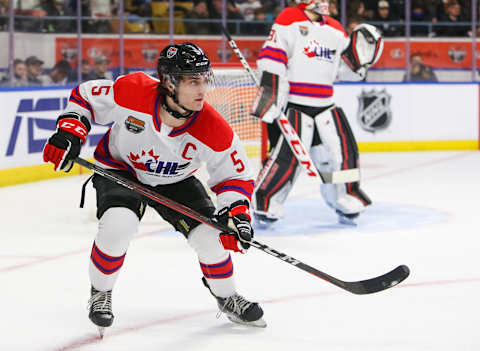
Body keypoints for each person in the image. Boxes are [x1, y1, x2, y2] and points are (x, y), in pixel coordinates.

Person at [42, 42, 266, 335]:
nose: (202, 90)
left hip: (176, 180)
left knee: (212, 239)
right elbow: (86, 96)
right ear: (170, 82)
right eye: (192, 81)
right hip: (121, 168)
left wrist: (236, 214)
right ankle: (100, 292)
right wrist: (71, 130)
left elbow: (234, 177)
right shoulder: (133, 90)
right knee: (117, 226)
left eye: (204, 79)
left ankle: (226, 296)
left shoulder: (213, 128)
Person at [251, 0, 383, 226]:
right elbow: (273, 57)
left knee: (341, 156)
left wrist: (359, 64)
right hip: (294, 106)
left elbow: (344, 69)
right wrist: (271, 95)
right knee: (287, 159)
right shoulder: (289, 18)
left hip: (326, 106)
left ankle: (346, 196)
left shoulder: (335, 28)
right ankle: (266, 201)